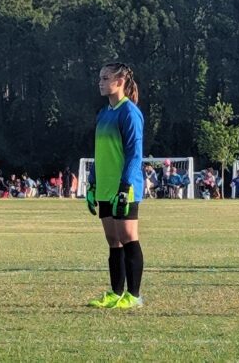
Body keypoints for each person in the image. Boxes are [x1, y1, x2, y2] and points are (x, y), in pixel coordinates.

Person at [85, 62, 145, 309]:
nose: (100, 81)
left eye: (105, 77)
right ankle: (115, 292)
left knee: (128, 237)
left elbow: (134, 154)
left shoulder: (128, 112)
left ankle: (134, 295)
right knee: (113, 240)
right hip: (105, 187)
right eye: (99, 77)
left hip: (124, 187)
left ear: (119, 82)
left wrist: (124, 185)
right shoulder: (103, 114)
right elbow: (100, 153)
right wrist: (91, 184)